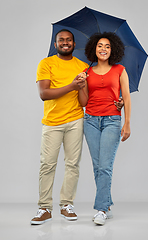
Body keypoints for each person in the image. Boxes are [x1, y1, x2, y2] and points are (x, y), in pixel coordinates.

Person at [30, 29, 89, 225]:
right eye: (61, 40)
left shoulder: (82, 67)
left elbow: (83, 102)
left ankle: (66, 205)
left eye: (69, 40)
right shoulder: (46, 63)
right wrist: (72, 86)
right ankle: (44, 208)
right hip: (52, 122)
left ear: (74, 43)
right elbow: (44, 94)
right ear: (55, 45)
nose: (65, 42)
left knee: (73, 164)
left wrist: (81, 86)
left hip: (75, 120)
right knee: (47, 165)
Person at [78, 32, 131, 225]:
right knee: (98, 165)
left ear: (113, 50)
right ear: (94, 48)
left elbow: (126, 97)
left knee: (105, 166)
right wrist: (81, 85)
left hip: (112, 120)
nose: (103, 49)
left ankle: (100, 209)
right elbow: (83, 102)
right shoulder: (87, 71)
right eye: (100, 45)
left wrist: (127, 122)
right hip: (90, 120)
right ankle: (106, 204)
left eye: (107, 46)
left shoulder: (120, 70)